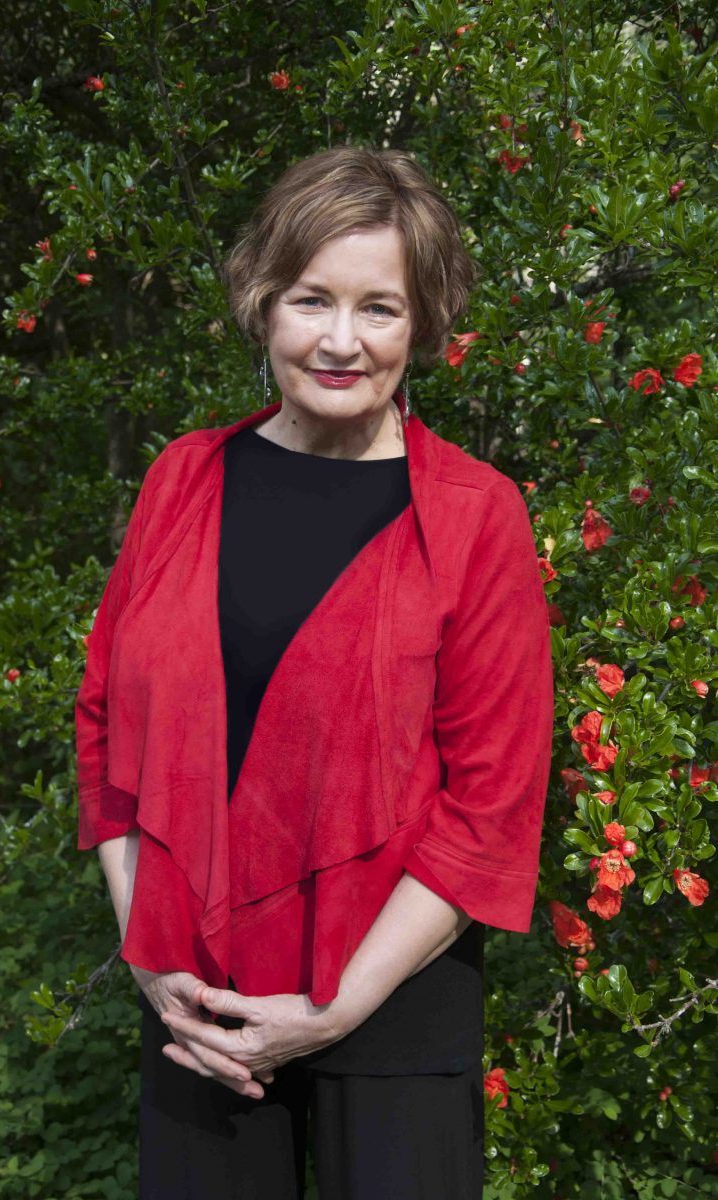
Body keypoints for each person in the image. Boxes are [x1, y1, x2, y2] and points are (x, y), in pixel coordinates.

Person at [75, 145, 555, 1199]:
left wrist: (334, 1006)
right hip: (194, 1006)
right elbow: (105, 727)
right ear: (262, 303)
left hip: (391, 1010)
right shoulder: (181, 479)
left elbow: (491, 807)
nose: (340, 341)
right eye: (310, 300)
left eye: (378, 308)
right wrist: (150, 958)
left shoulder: (476, 518)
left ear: (422, 323)